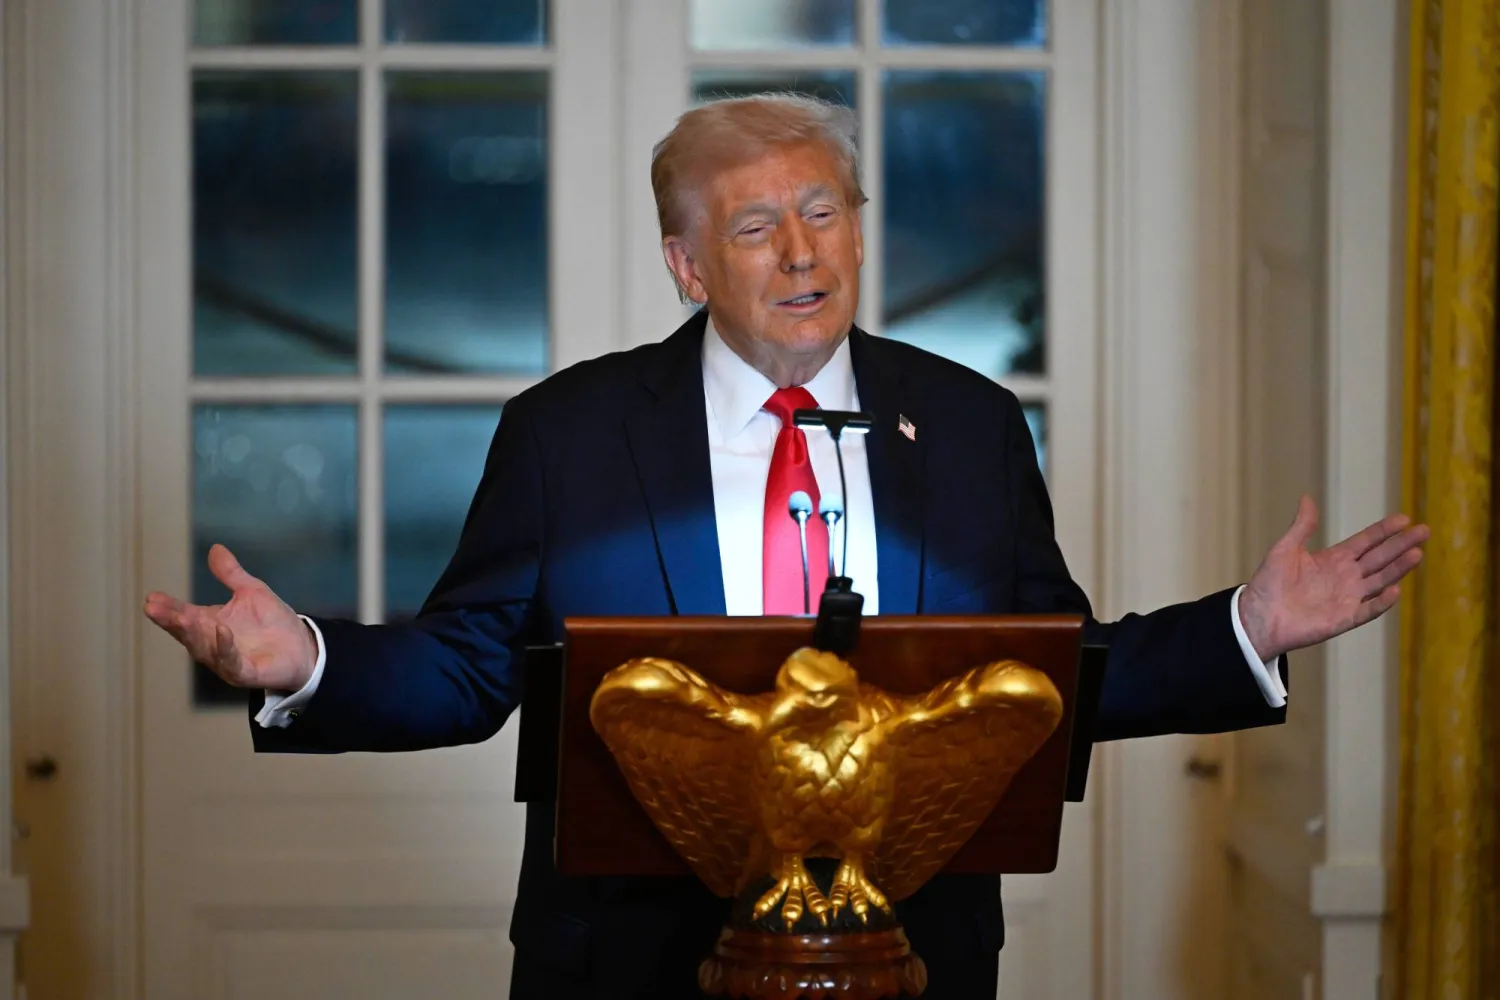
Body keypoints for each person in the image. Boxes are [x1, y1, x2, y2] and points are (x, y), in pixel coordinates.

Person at [143, 94, 1428, 999]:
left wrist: (1245, 629)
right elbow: (470, 669)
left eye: (824, 212)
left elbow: (1050, 674)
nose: (804, 250)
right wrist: (301, 658)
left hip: (912, 957)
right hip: (631, 964)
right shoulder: (568, 433)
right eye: (757, 227)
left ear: (861, 233)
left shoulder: (971, 425)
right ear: (688, 265)